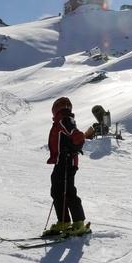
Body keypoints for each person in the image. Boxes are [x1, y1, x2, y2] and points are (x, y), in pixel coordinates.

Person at [45, 96, 89, 235]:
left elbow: (78, 136)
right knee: (57, 191)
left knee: (68, 191)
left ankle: (78, 223)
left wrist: (71, 150)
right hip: (62, 161)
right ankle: (64, 221)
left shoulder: (64, 119)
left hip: (66, 162)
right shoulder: (63, 119)